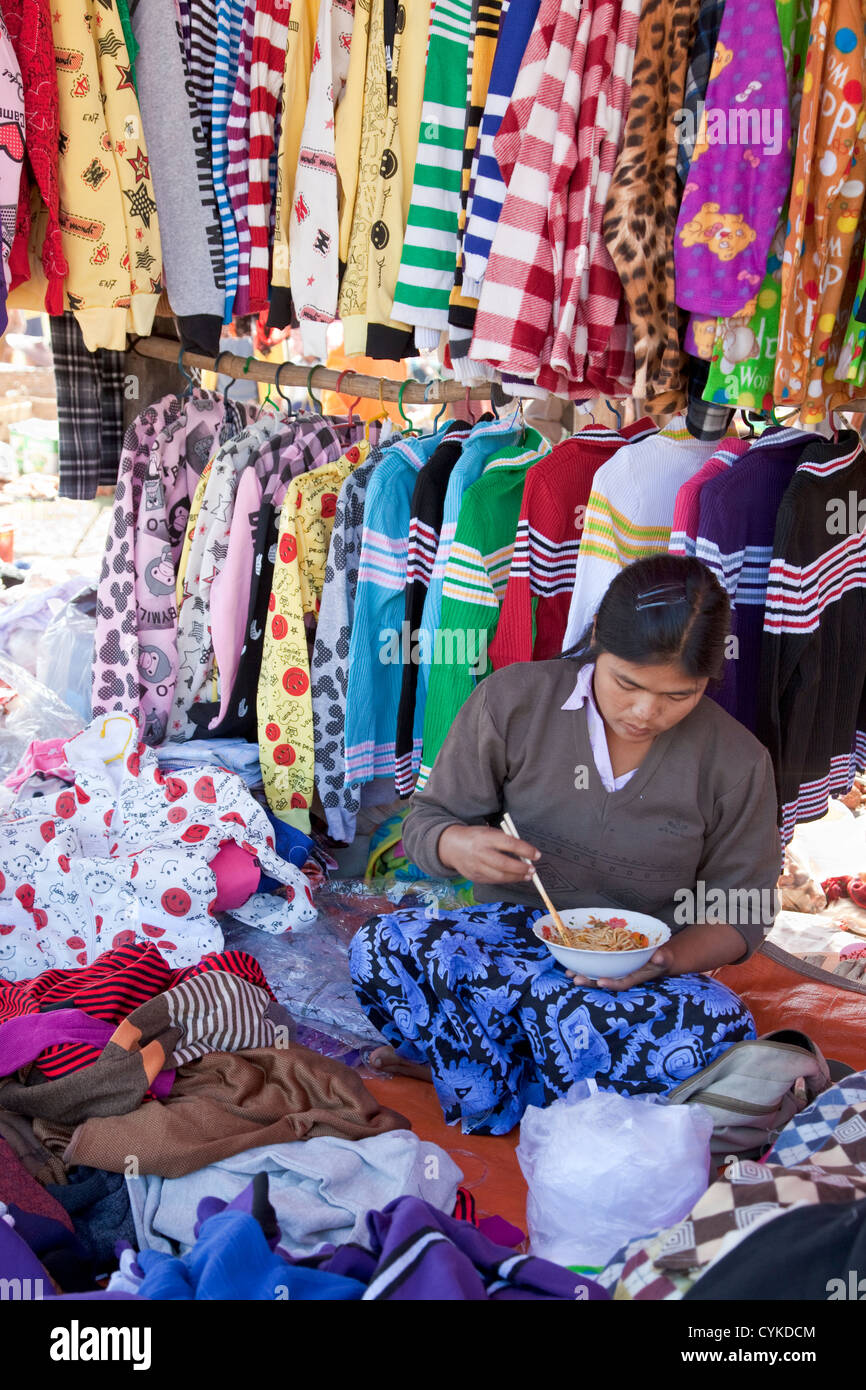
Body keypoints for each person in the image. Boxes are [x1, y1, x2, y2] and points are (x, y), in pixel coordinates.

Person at [349, 554, 782, 1135]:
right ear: (598, 633)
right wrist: (457, 845)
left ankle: (478, 1062)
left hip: (636, 973)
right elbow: (428, 821)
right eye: (627, 682)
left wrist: (663, 961)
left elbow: (742, 908)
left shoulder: (736, 759)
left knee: (714, 1022)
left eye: (679, 695)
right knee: (381, 945)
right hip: (508, 945)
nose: (645, 712)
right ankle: (543, 1076)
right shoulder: (516, 701)